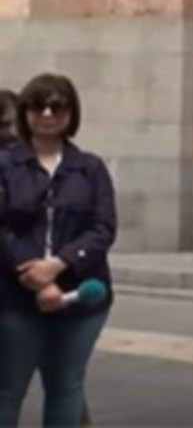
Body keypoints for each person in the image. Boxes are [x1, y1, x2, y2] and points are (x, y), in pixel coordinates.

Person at [0, 74, 117, 427]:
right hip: (17, 296)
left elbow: (102, 228)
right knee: (8, 389)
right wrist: (36, 278)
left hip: (81, 294)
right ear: (26, 113)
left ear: (71, 113)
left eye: (57, 106)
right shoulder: (6, 165)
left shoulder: (91, 168)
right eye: (38, 105)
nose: (47, 113)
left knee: (66, 387)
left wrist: (58, 265)